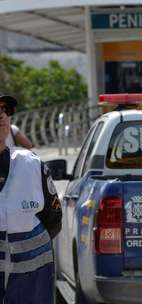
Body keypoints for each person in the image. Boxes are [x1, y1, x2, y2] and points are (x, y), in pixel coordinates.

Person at [0, 93, 62, 304]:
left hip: (31, 286)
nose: (2, 116)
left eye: (5, 110)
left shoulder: (30, 165)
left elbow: (53, 220)